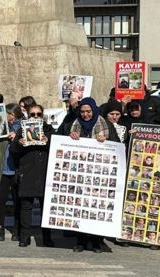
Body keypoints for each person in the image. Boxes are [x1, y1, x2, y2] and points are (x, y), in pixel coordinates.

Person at [58, 97, 119, 253]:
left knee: (96, 206)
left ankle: (97, 241)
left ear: (94, 110)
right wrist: (69, 136)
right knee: (79, 206)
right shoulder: (71, 124)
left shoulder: (106, 124)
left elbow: (118, 145)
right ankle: (81, 240)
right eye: (83, 111)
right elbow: (58, 139)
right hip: (79, 175)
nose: (85, 115)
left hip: (99, 175)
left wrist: (106, 140)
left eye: (88, 111)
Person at [9, 102, 54, 248]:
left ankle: (47, 238)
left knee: (45, 208)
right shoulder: (22, 131)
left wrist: (48, 141)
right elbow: (13, 152)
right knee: (26, 207)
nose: (35, 117)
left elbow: (59, 150)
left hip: (44, 173)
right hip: (27, 172)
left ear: (43, 116)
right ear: (28, 116)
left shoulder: (50, 130)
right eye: (32, 114)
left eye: (38, 114)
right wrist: (19, 144)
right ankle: (24, 237)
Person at [0, 103, 22, 241]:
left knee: (18, 201)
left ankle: (16, 229)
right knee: (0, 200)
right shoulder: (1, 127)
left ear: (13, 114)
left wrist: (16, 137)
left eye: (7, 114)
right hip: (3, 169)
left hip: (16, 169)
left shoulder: (24, 126)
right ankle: (0, 228)